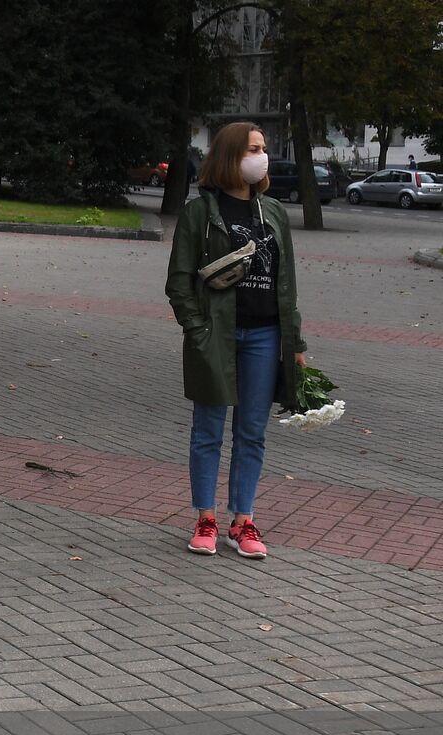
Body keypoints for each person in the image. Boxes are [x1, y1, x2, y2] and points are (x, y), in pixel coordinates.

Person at [165, 121, 309, 560]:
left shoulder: (274, 213)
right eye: (253, 148)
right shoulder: (200, 212)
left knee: (252, 432)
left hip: (266, 335)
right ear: (230, 154)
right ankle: (205, 518)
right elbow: (178, 282)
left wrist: (295, 342)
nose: (261, 156)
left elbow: (287, 285)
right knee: (207, 429)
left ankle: (242, 521)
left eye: (263, 148)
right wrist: (198, 329)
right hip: (218, 333)